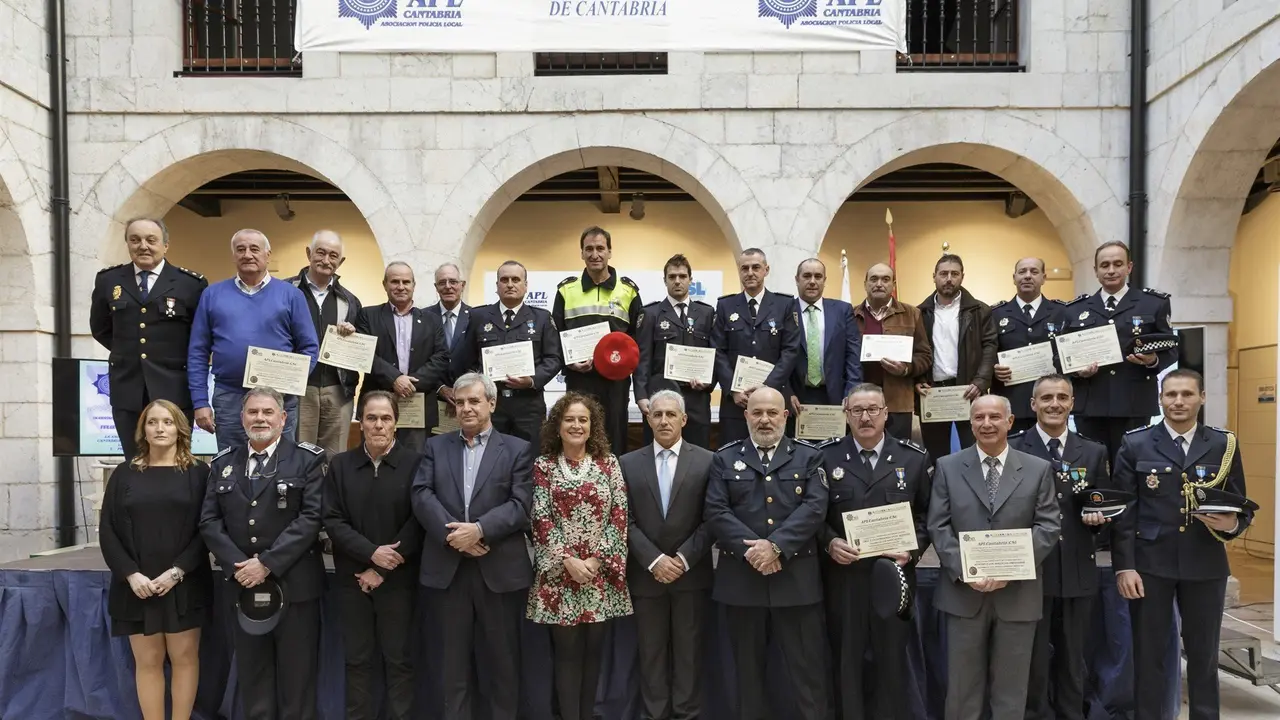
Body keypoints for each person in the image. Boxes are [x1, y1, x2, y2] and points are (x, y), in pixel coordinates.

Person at [1112, 369, 1252, 720]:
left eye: (1187, 394)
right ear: (1160, 399)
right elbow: (1124, 512)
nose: (1178, 401)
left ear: (1202, 397)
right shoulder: (1136, 443)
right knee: (1149, 654)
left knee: (1204, 657)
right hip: (1149, 564)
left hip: (1205, 562)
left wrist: (1233, 524)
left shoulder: (1223, 444)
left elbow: (1240, 504)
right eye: (1171, 394)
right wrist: (1125, 566)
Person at [926, 394, 1059, 720]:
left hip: (1017, 594)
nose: (986, 424)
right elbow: (938, 526)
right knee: (961, 691)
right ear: (970, 423)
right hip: (963, 594)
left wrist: (1009, 570)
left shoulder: (1038, 469)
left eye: (994, 417)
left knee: (1011, 692)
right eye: (979, 418)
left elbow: (1048, 527)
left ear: (1010, 422)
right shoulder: (947, 466)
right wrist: (965, 569)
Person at [199, 387, 327, 720]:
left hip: (295, 587)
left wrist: (266, 564)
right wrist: (240, 566)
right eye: (253, 412)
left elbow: (312, 518)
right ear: (241, 419)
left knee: (297, 682)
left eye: (268, 412)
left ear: (283, 419)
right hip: (242, 586)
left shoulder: (308, 459)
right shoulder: (224, 463)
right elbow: (209, 521)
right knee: (253, 679)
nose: (260, 418)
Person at [413, 373, 534, 720]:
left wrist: (479, 530)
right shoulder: (436, 446)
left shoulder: (517, 449)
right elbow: (421, 495)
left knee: (503, 665)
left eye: (474, 401)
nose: (466, 408)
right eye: (460, 402)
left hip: (499, 572)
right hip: (448, 571)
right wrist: (455, 537)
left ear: (492, 404)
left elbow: (520, 504)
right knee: (452, 667)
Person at [704, 386, 829, 720]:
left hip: (796, 583)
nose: (764, 419)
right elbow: (716, 512)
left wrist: (775, 546)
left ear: (785, 416)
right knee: (747, 679)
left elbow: (815, 509)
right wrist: (755, 551)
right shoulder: (724, 458)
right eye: (757, 412)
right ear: (745, 416)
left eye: (772, 412)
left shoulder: (810, 456)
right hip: (742, 584)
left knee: (808, 678)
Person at [818, 383, 930, 720]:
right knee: (846, 665)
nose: (865, 417)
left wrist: (912, 549)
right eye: (857, 410)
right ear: (846, 414)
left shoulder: (913, 458)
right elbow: (814, 515)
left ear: (886, 413)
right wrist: (829, 541)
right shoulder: (824, 457)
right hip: (844, 578)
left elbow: (928, 516)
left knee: (891, 664)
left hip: (893, 579)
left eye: (873, 410)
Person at [99, 399, 213, 720]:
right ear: (143, 430)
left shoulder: (199, 473)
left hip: (184, 581)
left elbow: (208, 529)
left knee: (185, 658)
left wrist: (177, 572)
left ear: (180, 428)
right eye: (152, 422)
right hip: (137, 586)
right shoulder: (124, 474)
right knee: (147, 662)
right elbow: (107, 530)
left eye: (167, 421)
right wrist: (131, 575)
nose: (159, 428)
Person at [527, 392, 633, 720]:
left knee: (593, 658)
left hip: (598, 578)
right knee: (566, 658)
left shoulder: (609, 463)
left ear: (592, 426)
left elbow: (620, 513)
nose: (576, 425)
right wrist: (568, 561)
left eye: (583, 420)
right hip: (560, 579)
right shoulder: (543, 465)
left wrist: (597, 560)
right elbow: (540, 518)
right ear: (557, 426)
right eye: (569, 419)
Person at [1010, 375, 1110, 720]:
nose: (1055, 404)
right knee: (1032, 658)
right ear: (1033, 404)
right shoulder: (1014, 449)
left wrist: (1101, 518)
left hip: (1076, 567)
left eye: (1062, 397)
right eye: (1047, 397)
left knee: (1072, 657)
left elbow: (1103, 503)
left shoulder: (1094, 451)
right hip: (1030, 568)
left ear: (1072, 403)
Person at [322, 390, 423, 720]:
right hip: (353, 581)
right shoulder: (340, 466)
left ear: (396, 423)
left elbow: (418, 521)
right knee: (357, 662)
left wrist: (383, 568)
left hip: (399, 582)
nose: (379, 425)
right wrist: (371, 554)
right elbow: (333, 520)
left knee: (400, 662)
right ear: (360, 422)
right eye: (371, 418)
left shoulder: (415, 464)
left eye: (386, 418)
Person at [619, 389, 715, 720]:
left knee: (689, 656)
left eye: (671, 414)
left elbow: (713, 517)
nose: (663, 420)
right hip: (647, 577)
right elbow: (623, 519)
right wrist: (655, 560)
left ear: (684, 420)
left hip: (692, 575)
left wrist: (684, 558)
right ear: (648, 418)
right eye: (657, 414)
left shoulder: (707, 461)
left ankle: (687, 714)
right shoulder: (626, 463)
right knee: (651, 655)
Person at [188, 229, 319, 450]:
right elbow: (197, 352)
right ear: (233, 255)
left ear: (268, 254)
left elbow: (309, 347)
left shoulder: (291, 295)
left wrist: (289, 382)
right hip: (229, 398)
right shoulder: (212, 295)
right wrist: (200, 402)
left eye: (254, 249)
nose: (247, 254)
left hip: (279, 400)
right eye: (241, 249)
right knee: (231, 466)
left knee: (280, 465)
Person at [90, 217, 208, 460]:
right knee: (134, 459)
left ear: (165, 245)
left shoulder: (190, 284)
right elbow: (101, 328)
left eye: (151, 240)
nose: (143, 246)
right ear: (128, 244)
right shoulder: (108, 281)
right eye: (135, 240)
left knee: (175, 459)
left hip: (173, 386)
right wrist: (128, 352)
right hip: (127, 386)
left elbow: (200, 337)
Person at [1064, 241, 1178, 461]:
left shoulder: (1153, 304)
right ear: (1096, 271)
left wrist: (1152, 360)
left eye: (1118, 264)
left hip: (1133, 403)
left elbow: (1171, 349)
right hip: (1090, 405)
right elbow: (1060, 358)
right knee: (1091, 468)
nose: (1111, 270)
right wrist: (1078, 371)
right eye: (1104, 265)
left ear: (1129, 267)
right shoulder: (1075, 310)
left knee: (1131, 468)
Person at [552, 227, 644, 456]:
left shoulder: (628, 291)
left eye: (600, 248)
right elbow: (555, 338)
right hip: (579, 379)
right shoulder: (566, 290)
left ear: (610, 252)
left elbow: (637, 341)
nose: (595, 254)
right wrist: (568, 363)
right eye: (589, 249)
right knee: (578, 434)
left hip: (616, 383)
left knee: (615, 438)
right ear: (581, 253)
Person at [456, 260, 562, 443]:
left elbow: (553, 358)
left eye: (516, 279)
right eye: (504, 280)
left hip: (529, 404)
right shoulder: (479, 316)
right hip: (491, 405)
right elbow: (467, 359)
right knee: (491, 457)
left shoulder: (542, 318)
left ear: (525, 285)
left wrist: (532, 380)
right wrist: (482, 383)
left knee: (530, 459)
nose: (510, 284)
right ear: (497, 285)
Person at [356, 261, 451, 450]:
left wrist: (409, 384)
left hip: (417, 405)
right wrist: (395, 379)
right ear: (385, 284)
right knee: (374, 458)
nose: (401, 287)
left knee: (414, 465)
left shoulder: (432, 320)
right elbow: (364, 354)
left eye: (406, 282)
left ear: (414, 286)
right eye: (395, 282)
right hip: (377, 403)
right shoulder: (367, 315)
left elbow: (441, 357)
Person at [712, 248, 803, 446]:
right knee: (733, 454)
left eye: (756, 267)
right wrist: (733, 390)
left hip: (774, 399)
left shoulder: (784, 305)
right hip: (736, 402)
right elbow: (718, 351)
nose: (750, 272)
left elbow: (790, 350)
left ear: (766, 270)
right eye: (744, 268)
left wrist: (768, 387)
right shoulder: (725, 306)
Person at [286, 230, 363, 456]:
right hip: (298, 390)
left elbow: (360, 345)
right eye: (320, 252)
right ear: (309, 253)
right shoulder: (285, 290)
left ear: (341, 261)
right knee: (298, 455)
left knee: (335, 457)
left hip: (338, 390)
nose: (326, 260)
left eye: (333, 255)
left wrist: (353, 334)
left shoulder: (349, 300)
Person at [916, 254, 997, 460]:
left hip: (969, 391)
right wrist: (917, 381)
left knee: (974, 454)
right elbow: (915, 352)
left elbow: (990, 346)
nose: (949, 279)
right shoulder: (920, 313)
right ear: (934, 276)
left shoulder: (980, 310)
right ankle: (940, 492)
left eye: (954, 274)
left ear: (962, 277)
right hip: (933, 392)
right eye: (944, 274)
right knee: (936, 456)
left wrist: (981, 381)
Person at [634, 254, 716, 449]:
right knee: (658, 453)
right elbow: (642, 359)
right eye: (672, 277)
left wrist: (708, 382)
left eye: (682, 276)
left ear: (690, 280)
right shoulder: (650, 313)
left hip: (696, 399)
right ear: (665, 280)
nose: (677, 281)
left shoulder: (706, 313)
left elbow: (716, 354)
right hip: (661, 398)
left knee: (699, 455)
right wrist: (641, 396)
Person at [853, 262, 932, 441]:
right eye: (874, 279)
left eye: (885, 279)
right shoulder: (851, 315)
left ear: (893, 285)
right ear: (865, 284)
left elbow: (925, 356)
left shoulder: (912, 314)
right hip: (860, 402)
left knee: (897, 455)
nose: (879, 283)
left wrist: (905, 369)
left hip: (898, 402)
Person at [990, 258, 1070, 433]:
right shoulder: (995, 314)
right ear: (1014, 278)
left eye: (1034, 272)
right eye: (1022, 272)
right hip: (1010, 402)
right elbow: (986, 353)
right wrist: (993, 369)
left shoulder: (1062, 312)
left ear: (1043, 277)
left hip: (1050, 405)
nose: (1027, 276)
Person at [789, 258, 862, 436]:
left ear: (824, 280)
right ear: (797, 279)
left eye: (818, 276)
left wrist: (851, 392)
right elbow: (776, 354)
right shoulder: (785, 309)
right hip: (796, 397)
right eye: (806, 276)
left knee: (832, 453)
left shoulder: (842, 310)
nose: (812, 281)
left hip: (836, 396)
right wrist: (785, 393)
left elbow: (853, 356)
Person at [427, 262, 472, 400]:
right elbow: (418, 359)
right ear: (436, 287)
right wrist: (440, 387)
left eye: (453, 281)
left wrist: (463, 388)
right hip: (431, 396)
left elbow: (478, 358)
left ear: (462, 285)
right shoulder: (423, 317)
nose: (448, 287)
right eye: (442, 282)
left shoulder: (476, 317)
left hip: (467, 396)